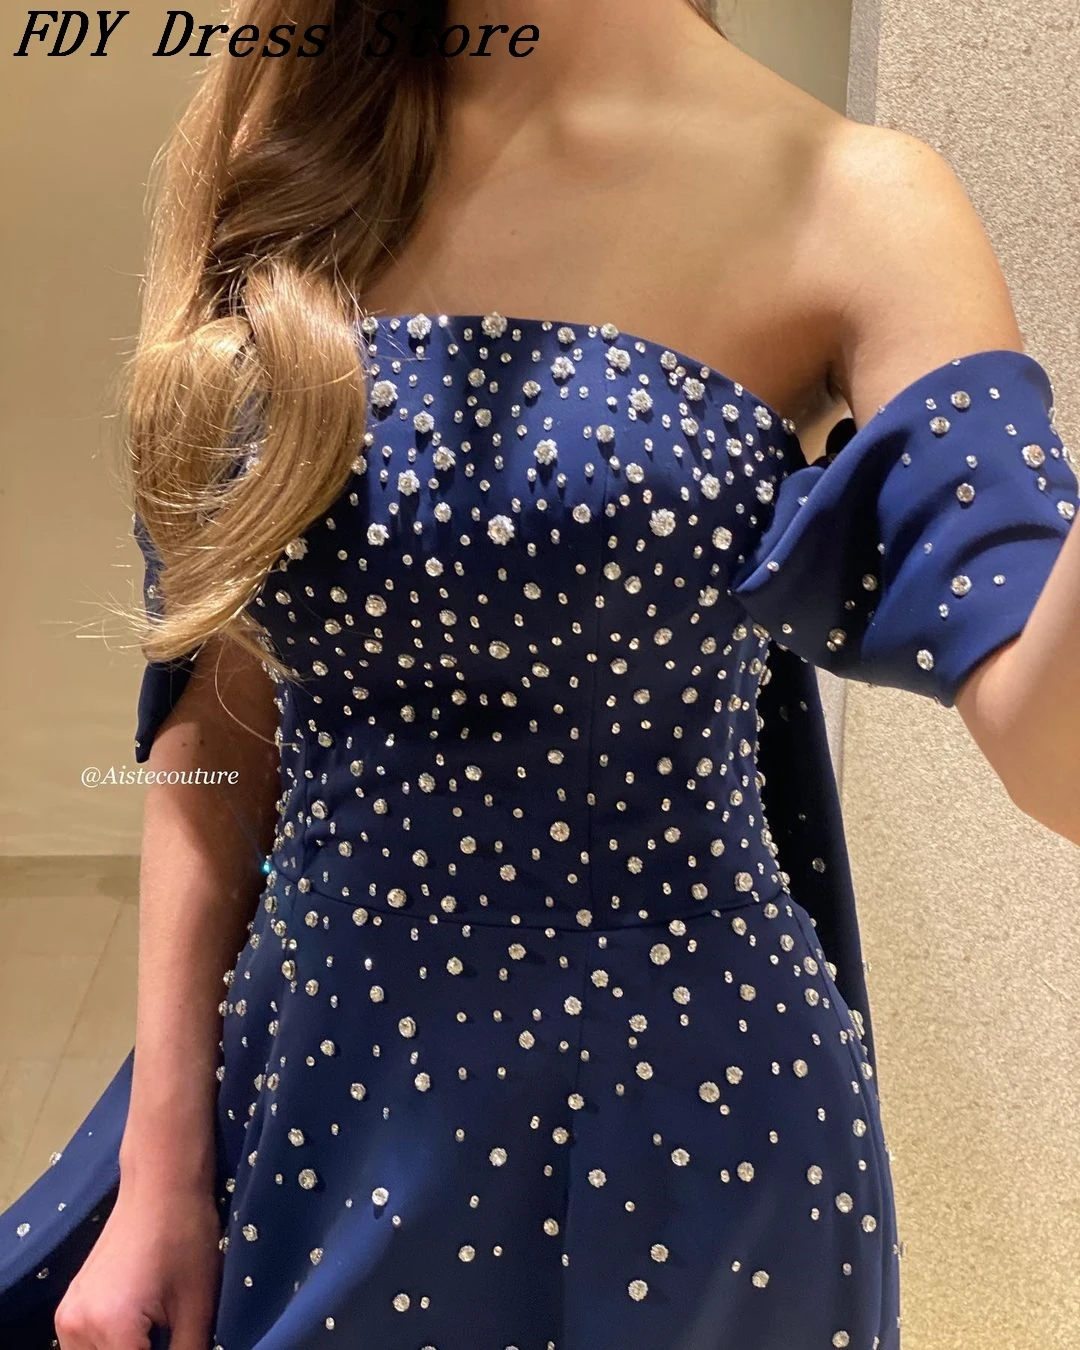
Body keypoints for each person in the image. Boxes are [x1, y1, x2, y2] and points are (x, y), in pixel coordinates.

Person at [2, 1, 1078, 1347]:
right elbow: (219, 726)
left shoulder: (862, 200)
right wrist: (161, 1169)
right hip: (319, 1097)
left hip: (699, 1131)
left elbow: (1055, 750)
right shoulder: (296, 140)